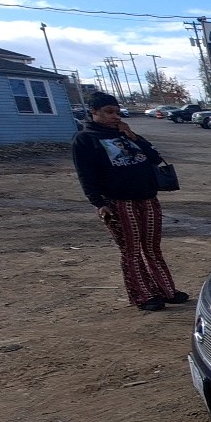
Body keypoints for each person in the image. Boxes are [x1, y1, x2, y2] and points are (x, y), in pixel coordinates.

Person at [72, 92, 186, 312]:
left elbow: (154, 158)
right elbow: (85, 174)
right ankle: (143, 295)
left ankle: (167, 290)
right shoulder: (85, 139)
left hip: (148, 197)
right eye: (108, 112)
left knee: (153, 248)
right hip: (118, 202)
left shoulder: (126, 134)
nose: (115, 116)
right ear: (94, 112)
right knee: (131, 250)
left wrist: (133, 136)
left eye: (117, 112)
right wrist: (97, 202)